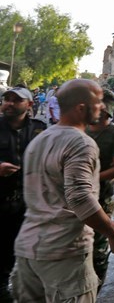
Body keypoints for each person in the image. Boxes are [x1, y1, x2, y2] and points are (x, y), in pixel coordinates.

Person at [11, 79, 114, 302]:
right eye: (97, 102)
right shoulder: (80, 143)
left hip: (29, 249)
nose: (102, 107)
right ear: (81, 108)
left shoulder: (42, 139)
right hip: (64, 253)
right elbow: (79, 197)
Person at [0, 88, 46, 301]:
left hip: (30, 203)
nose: (9, 103)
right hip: (2, 200)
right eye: (6, 99)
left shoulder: (40, 130)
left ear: (28, 105)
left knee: (33, 251)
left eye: (15, 100)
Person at [85, 89, 114, 292]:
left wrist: (91, 178)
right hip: (72, 199)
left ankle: (94, 291)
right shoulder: (80, 130)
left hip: (101, 198)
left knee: (97, 253)